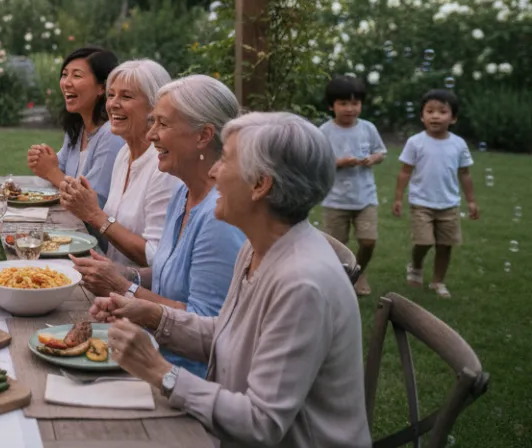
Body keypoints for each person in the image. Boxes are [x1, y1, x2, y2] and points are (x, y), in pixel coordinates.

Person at [91, 112, 370, 447]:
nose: (213, 171)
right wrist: (151, 314)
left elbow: (261, 423)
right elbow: (227, 336)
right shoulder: (258, 247)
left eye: (224, 160)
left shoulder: (302, 284)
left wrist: (160, 371)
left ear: (260, 185)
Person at [72, 74, 244, 378]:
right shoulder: (184, 192)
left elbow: (208, 327)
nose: (151, 135)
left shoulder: (221, 217)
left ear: (204, 135)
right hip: (151, 353)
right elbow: (169, 271)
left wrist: (124, 288)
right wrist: (124, 274)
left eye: (162, 124)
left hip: (183, 378)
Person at [59, 59, 178, 270]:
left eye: (126, 96)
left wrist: (95, 215)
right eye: (111, 95)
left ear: (155, 106)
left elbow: (154, 258)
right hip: (109, 281)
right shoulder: (124, 154)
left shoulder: (163, 166)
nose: (113, 104)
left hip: (139, 294)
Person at [393, 88, 479, 299]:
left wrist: (471, 201)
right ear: (422, 116)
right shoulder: (415, 142)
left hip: (449, 204)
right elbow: (405, 171)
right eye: (430, 111)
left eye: (442, 111)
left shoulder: (458, 144)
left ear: (453, 118)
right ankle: (416, 265)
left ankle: (438, 281)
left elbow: (465, 174)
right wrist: (398, 198)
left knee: (445, 245)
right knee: (423, 241)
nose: (435, 116)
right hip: (421, 202)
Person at [27, 46, 122, 207]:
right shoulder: (78, 127)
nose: (66, 83)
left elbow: (95, 202)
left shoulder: (111, 134)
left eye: (77, 75)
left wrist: (51, 171)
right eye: (64, 75)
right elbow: (60, 167)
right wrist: (43, 158)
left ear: (102, 87)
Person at [317, 75, 387, 296]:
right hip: (335, 199)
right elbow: (318, 161)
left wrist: (373, 159)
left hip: (365, 197)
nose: (350, 108)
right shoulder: (325, 131)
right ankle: (339, 280)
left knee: (368, 241)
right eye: (343, 103)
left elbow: (381, 152)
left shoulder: (368, 128)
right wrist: (339, 163)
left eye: (355, 103)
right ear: (331, 105)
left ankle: (359, 272)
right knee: (337, 247)